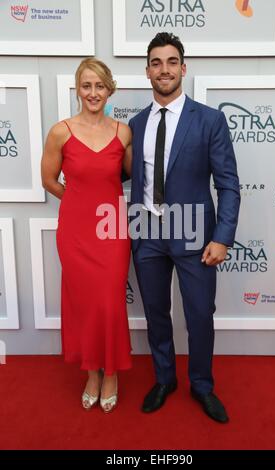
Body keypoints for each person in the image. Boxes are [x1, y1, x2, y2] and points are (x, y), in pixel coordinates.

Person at [129, 33, 240, 423]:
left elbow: (227, 184)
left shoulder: (210, 120)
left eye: (172, 61)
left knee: (198, 315)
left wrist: (222, 237)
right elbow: (135, 183)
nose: (164, 69)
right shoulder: (136, 123)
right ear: (147, 71)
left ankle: (201, 385)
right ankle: (164, 379)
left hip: (196, 237)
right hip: (147, 237)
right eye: (156, 62)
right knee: (157, 314)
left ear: (183, 68)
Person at [41, 58, 132, 413]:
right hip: (76, 233)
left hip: (112, 230)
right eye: (86, 86)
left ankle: (112, 373)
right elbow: (49, 180)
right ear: (78, 89)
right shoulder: (60, 131)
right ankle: (92, 372)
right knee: (83, 304)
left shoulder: (123, 133)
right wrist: (79, 201)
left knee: (109, 302)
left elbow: (129, 177)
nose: (93, 93)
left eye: (99, 86)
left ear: (109, 89)